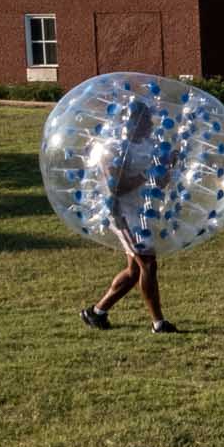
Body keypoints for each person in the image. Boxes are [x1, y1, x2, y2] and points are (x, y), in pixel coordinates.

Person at [79, 101, 177, 334]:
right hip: (120, 213)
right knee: (149, 265)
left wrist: (169, 165)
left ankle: (97, 312)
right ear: (132, 122)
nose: (151, 124)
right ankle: (158, 323)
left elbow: (158, 183)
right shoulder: (113, 150)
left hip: (141, 212)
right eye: (146, 120)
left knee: (135, 271)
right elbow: (117, 189)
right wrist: (149, 172)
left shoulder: (145, 146)